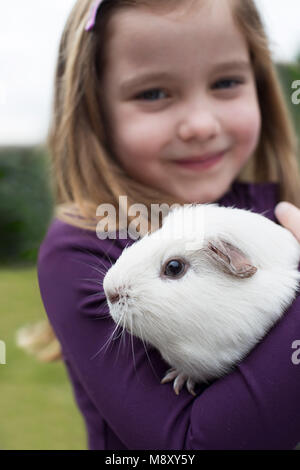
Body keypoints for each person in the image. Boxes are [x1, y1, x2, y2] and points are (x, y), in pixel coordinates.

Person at [37, 0, 300, 450]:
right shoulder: (80, 249)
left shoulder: (280, 203)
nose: (200, 125)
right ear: (94, 110)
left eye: (226, 82)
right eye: (153, 93)